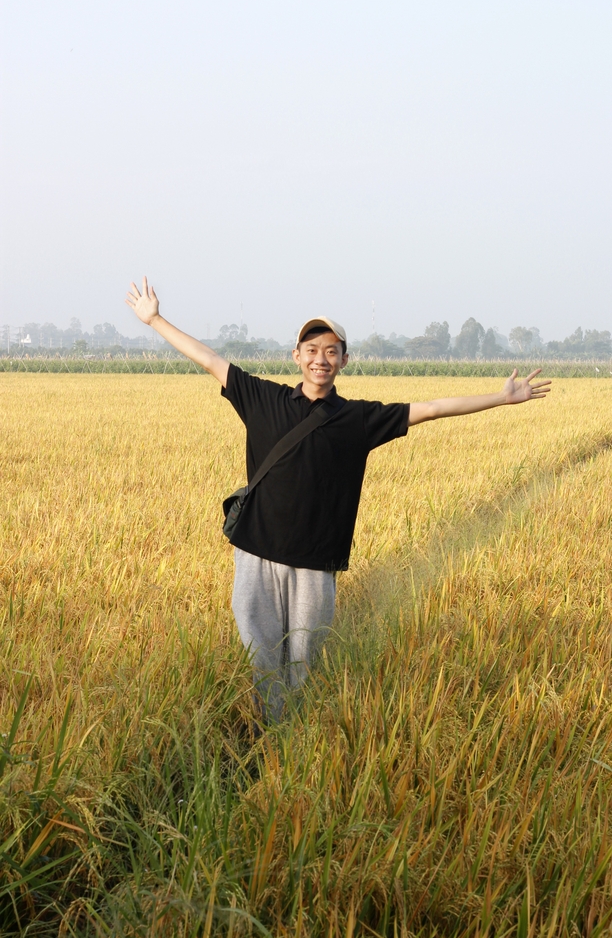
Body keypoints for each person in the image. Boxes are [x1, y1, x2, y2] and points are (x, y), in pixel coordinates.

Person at [126, 277, 551, 719]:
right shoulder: (264, 399)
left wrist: (500, 398)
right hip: (256, 554)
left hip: (315, 563)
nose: (320, 359)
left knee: (303, 666)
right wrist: (154, 320)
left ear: (344, 360)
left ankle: (295, 739)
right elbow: (209, 359)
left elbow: (431, 409)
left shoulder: (357, 419)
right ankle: (266, 734)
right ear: (296, 356)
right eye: (311, 350)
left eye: (331, 351)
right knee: (261, 661)